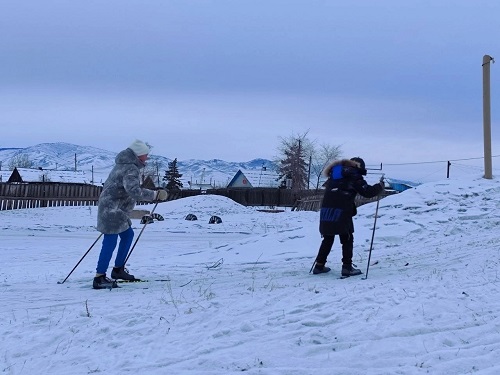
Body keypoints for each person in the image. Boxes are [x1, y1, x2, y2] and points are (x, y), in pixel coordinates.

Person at [93, 140, 168, 289]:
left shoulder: (124, 165)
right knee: (110, 240)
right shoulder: (130, 168)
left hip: (116, 209)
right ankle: (99, 277)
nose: (147, 158)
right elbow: (133, 191)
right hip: (111, 209)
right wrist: (155, 194)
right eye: (146, 155)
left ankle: (118, 270)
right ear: (139, 155)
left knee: (127, 235)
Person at [312, 157, 384, 277]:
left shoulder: (334, 176)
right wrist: (380, 186)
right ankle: (347, 267)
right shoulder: (353, 175)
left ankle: (319, 266)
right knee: (347, 238)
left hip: (326, 211)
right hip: (342, 211)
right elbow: (367, 192)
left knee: (328, 238)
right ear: (359, 167)